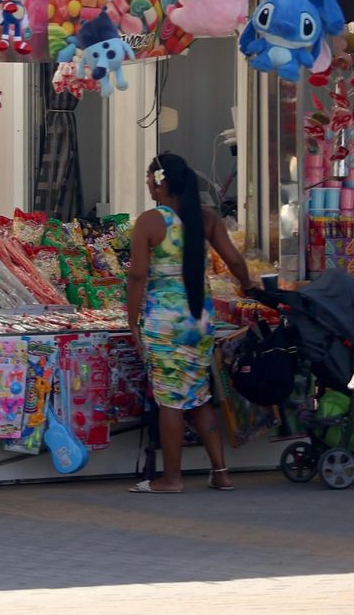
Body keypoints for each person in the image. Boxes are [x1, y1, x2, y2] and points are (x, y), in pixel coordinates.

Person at [126, 152, 254, 495]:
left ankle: (172, 478)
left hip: (164, 322)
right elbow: (234, 261)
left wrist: (131, 320)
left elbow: (137, 275)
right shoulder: (207, 219)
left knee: (170, 399)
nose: (148, 187)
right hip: (200, 319)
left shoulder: (150, 221)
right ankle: (221, 472)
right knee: (198, 395)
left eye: (149, 180)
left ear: (161, 183)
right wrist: (251, 286)